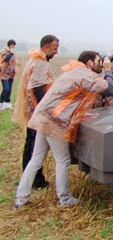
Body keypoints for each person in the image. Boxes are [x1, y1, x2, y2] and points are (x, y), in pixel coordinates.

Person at [15, 50, 113, 208]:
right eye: (98, 61)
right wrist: (109, 69)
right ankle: (65, 198)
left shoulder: (74, 71)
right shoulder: (84, 75)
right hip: (54, 120)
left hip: (44, 116)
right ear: (89, 62)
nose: (100, 64)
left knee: (36, 159)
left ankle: (21, 198)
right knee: (63, 160)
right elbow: (109, 89)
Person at [12, 34, 60, 189]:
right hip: (37, 112)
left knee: (30, 145)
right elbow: (37, 89)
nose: (56, 52)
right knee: (34, 148)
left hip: (33, 111)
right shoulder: (40, 62)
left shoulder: (33, 58)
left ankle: (30, 177)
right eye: (55, 48)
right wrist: (44, 111)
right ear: (45, 47)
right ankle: (35, 180)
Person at [0, 39, 17, 110]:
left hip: (11, 74)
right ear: (9, 45)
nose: (13, 47)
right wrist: (11, 53)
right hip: (4, 73)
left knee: (9, 89)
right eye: (12, 45)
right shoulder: (4, 51)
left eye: (14, 46)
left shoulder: (12, 53)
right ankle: (1, 102)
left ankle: (7, 103)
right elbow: (5, 60)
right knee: (6, 89)